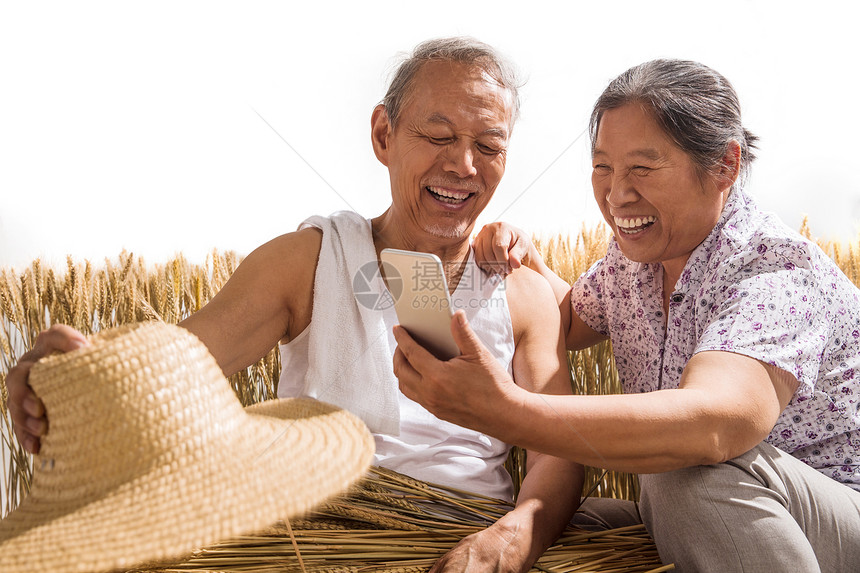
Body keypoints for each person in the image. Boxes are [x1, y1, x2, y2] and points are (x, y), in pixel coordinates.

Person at [6, 37, 581, 572]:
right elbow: (173, 370)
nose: (464, 165)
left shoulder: (521, 291)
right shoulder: (307, 263)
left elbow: (560, 452)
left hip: (465, 541)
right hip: (319, 541)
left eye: (488, 146)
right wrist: (79, 373)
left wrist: (512, 538)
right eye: (438, 136)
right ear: (383, 134)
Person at [392, 58, 860, 572]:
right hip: (728, 513)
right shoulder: (635, 259)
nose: (616, 194)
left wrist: (507, 412)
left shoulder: (773, 267)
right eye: (602, 167)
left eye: (642, 167)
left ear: (724, 165)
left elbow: (715, 426)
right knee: (531, 523)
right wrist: (524, 263)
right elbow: (565, 322)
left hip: (837, 517)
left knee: (686, 477)